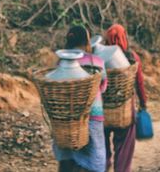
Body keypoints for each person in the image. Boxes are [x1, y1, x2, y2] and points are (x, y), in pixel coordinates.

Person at [53, 25, 108, 172]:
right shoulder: (97, 62)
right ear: (86, 42)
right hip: (93, 116)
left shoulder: (60, 62)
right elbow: (103, 87)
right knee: (94, 157)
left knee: (68, 158)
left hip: (67, 118)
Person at [104, 24, 147, 172]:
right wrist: (143, 103)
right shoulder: (132, 58)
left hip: (103, 112)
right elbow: (139, 83)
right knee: (124, 147)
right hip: (125, 112)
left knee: (102, 148)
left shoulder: (99, 57)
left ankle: (104, 165)